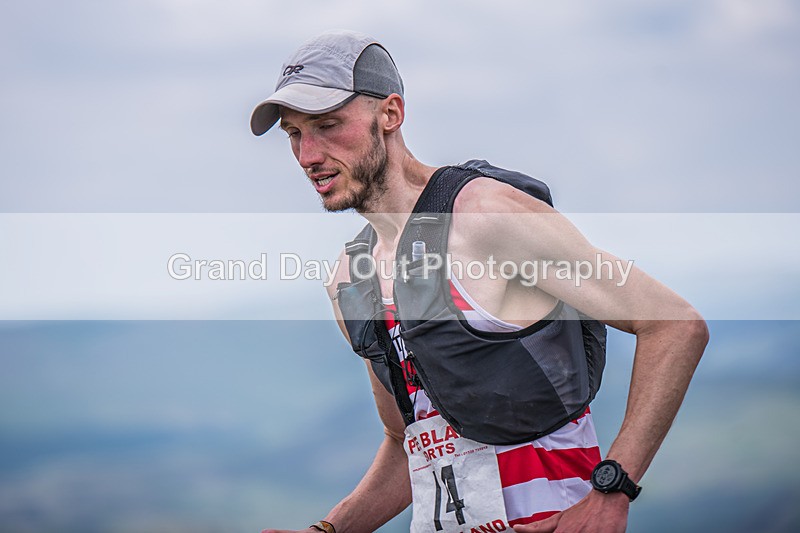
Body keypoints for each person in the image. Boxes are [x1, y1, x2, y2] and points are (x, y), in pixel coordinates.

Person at [251, 30, 708, 533]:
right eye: (293, 134)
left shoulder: (484, 216)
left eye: (327, 125)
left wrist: (613, 488)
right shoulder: (350, 280)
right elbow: (409, 442)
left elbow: (675, 325)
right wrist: (329, 529)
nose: (307, 155)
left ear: (390, 114)